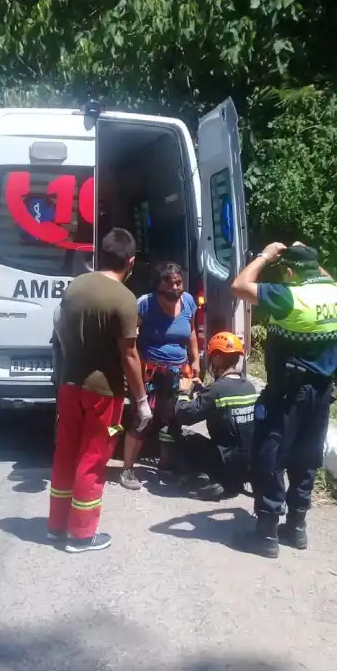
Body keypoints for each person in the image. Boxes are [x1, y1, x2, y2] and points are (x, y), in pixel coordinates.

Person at [231, 241, 337, 558]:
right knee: (306, 456)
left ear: (290, 271)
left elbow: (239, 285)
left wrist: (265, 256)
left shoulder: (289, 297)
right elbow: (324, 276)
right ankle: (296, 527)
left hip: (287, 393)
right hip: (322, 393)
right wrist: (307, 253)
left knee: (270, 453)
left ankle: (266, 533)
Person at [48, 228, 152, 553]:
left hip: (69, 385)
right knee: (93, 459)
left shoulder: (75, 286)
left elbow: (60, 329)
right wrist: (142, 400)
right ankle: (80, 535)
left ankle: (56, 526)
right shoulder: (125, 300)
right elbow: (129, 355)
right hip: (104, 394)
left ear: (100, 255)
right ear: (130, 261)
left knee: (65, 453)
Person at [119, 261, 200, 491]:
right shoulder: (145, 304)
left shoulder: (189, 302)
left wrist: (195, 364)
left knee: (173, 420)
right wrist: (130, 369)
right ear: (159, 285)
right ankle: (127, 469)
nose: (176, 288)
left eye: (179, 282)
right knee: (143, 420)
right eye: (171, 283)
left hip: (178, 373)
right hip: (150, 374)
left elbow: (191, 332)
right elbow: (128, 338)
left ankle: (166, 466)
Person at [171, 331, 258, 500]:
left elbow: (184, 415)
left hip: (224, 460)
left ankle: (208, 480)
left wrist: (183, 392)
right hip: (247, 461)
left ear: (218, 358)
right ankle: (234, 479)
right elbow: (221, 401)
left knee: (185, 437)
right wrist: (204, 391)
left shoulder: (217, 390)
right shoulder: (248, 387)